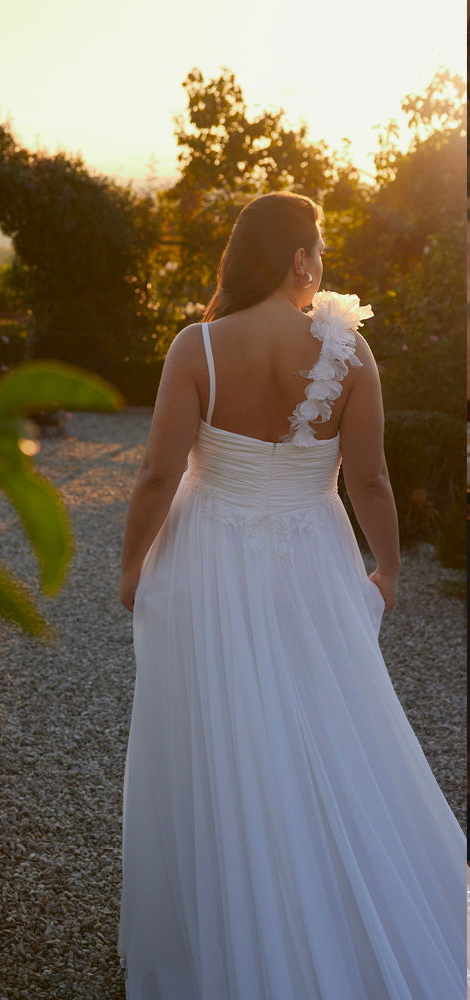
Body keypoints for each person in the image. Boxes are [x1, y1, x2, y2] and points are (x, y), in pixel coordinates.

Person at [116, 191, 467, 999]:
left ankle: (223, 929)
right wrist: (387, 572)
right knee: (325, 722)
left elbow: (158, 475)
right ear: (301, 260)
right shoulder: (350, 354)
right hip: (314, 558)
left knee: (217, 733)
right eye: (319, 254)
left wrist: (133, 569)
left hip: (206, 555)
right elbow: (372, 479)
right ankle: (329, 906)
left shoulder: (197, 346)